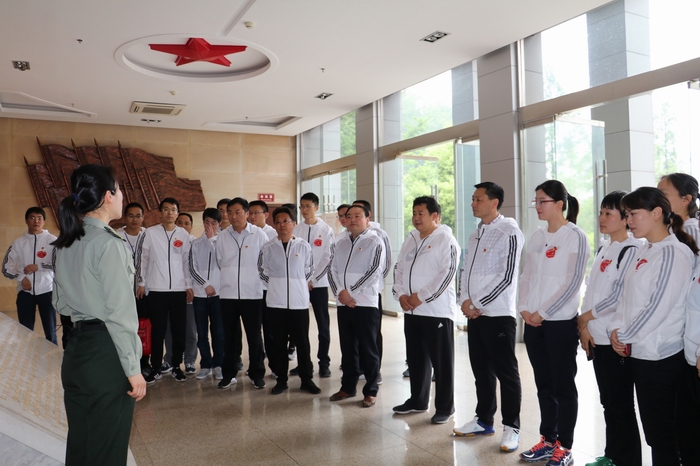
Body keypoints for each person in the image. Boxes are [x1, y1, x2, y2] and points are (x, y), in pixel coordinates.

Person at [52, 164, 146, 465]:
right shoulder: (109, 243)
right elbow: (120, 313)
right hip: (107, 355)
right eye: (119, 191)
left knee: (81, 446)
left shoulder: (66, 242)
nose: (122, 197)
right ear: (108, 196)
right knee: (107, 452)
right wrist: (133, 368)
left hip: (77, 351)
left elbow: (61, 304)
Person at [609, 187, 697, 465]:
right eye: (626, 215)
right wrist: (616, 329)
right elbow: (625, 298)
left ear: (657, 213)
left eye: (633, 214)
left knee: (663, 435)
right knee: (655, 433)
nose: (628, 221)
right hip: (640, 352)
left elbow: (657, 306)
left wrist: (625, 334)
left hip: (661, 357)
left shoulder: (673, 252)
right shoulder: (644, 249)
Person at [518, 180, 589, 466]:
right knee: (544, 385)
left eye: (542, 201)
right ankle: (548, 441)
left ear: (559, 204)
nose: (537, 206)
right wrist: (524, 308)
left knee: (563, 387)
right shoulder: (537, 236)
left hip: (558, 323)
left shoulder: (575, 236)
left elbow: (573, 283)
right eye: (535, 201)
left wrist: (544, 312)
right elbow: (527, 275)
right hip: (533, 322)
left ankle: (565, 447)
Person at [453, 182, 524, 453]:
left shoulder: (510, 231)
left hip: (497, 314)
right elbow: (465, 271)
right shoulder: (475, 234)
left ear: (494, 203)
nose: (473, 203)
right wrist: (464, 301)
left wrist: (477, 303)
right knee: (481, 371)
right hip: (474, 314)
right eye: (472, 199)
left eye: (478, 199)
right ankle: (483, 420)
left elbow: (507, 276)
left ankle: (512, 427)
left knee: (506, 374)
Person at [577, 191, 643, 466]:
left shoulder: (632, 249)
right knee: (608, 402)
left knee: (621, 404)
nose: (601, 218)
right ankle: (612, 455)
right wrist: (584, 326)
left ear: (626, 218)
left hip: (615, 338)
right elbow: (591, 290)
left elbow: (618, 295)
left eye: (608, 213)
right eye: (601, 212)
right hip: (596, 336)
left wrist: (584, 317)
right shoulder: (604, 248)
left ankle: (627, 460)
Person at [392, 196, 460, 424]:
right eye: (414, 213)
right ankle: (418, 401)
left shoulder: (446, 240)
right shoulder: (410, 239)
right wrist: (401, 295)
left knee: (442, 363)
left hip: (436, 311)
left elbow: (447, 274)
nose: (416, 217)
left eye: (421, 213)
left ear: (435, 216)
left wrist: (420, 297)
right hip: (412, 311)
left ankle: (445, 407)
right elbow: (399, 269)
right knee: (416, 360)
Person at [259, 206, 321, 395]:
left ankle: (306, 379)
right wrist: (276, 285)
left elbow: (309, 270)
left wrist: (297, 284)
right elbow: (262, 271)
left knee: (303, 342)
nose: (282, 225)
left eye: (286, 221)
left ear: (294, 223)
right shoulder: (268, 247)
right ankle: (281, 380)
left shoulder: (303, 246)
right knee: (279, 344)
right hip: (276, 303)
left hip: (299, 303)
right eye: (278, 222)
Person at [328, 204, 385, 407]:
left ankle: (371, 390)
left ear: (367, 218)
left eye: (357, 216)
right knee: (348, 347)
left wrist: (350, 292)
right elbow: (331, 269)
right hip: (343, 302)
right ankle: (348, 387)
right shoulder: (340, 242)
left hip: (365, 303)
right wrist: (340, 293)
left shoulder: (375, 241)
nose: (352, 219)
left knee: (368, 348)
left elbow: (374, 271)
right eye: (349, 216)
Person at [136, 198, 193, 384]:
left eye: (173, 209)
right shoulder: (150, 233)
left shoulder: (183, 234)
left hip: (178, 289)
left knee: (178, 330)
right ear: (160, 213)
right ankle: (155, 367)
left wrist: (188, 285)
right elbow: (143, 259)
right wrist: (141, 282)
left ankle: (176, 366)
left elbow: (187, 262)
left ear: (177, 213)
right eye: (166, 209)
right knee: (157, 331)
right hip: (156, 289)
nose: (170, 212)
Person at [215, 197, 268, 390]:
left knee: (254, 336)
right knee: (229, 337)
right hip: (228, 294)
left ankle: (257, 373)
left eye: (237, 212)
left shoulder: (258, 234)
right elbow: (220, 261)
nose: (233, 216)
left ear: (247, 214)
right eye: (230, 212)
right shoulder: (222, 236)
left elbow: (265, 261)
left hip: (252, 293)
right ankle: (229, 374)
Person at [293, 192, 335, 378]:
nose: (304, 209)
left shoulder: (326, 230)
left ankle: (324, 362)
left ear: (316, 207)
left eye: (308, 206)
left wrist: (314, 280)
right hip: (300, 284)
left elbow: (328, 257)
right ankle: (303, 363)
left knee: (323, 326)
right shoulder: (296, 229)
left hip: (319, 285)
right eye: (301, 206)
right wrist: (303, 279)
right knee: (300, 326)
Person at [3, 206, 59, 344]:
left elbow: (59, 265)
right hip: (25, 293)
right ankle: (27, 357)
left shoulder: (53, 241)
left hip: (47, 291)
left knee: (51, 332)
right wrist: (22, 278)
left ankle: (52, 358)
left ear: (44, 221)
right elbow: (6, 268)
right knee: (25, 333)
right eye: (32, 218)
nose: (36, 221)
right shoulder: (18, 243)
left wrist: (39, 266)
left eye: (39, 218)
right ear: (26, 221)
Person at [188, 208, 225, 380]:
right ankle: (205, 364)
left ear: (220, 224)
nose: (210, 226)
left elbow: (223, 263)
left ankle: (219, 364)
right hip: (200, 294)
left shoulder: (223, 242)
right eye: (207, 222)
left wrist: (212, 241)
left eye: (214, 223)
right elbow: (192, 268)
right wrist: (206, 285)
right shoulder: (195, 243)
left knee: (218, 332)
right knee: (202, 333)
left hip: (219, 294)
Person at [116, 202, 150, 374]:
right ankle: (127, 362)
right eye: (131, 216)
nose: (134, 220)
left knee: (144, 327)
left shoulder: (148, 235)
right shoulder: (116, 236)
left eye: (138, 216)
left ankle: (145, 362)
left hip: (145, 291)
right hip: (124, 291)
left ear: (143, 218)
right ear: (125, 217)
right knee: (125, 328)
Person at [174, 212, 199, 375]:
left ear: (191, 226)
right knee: (172, 329)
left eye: (186, 223)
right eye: (180, 223)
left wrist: (190, 286)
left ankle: (190, 360)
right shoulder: (169, 240)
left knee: (190, 330)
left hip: (191, 292)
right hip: (173, 290)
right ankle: (170, 359)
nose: (183, 226)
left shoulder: (195, 243)